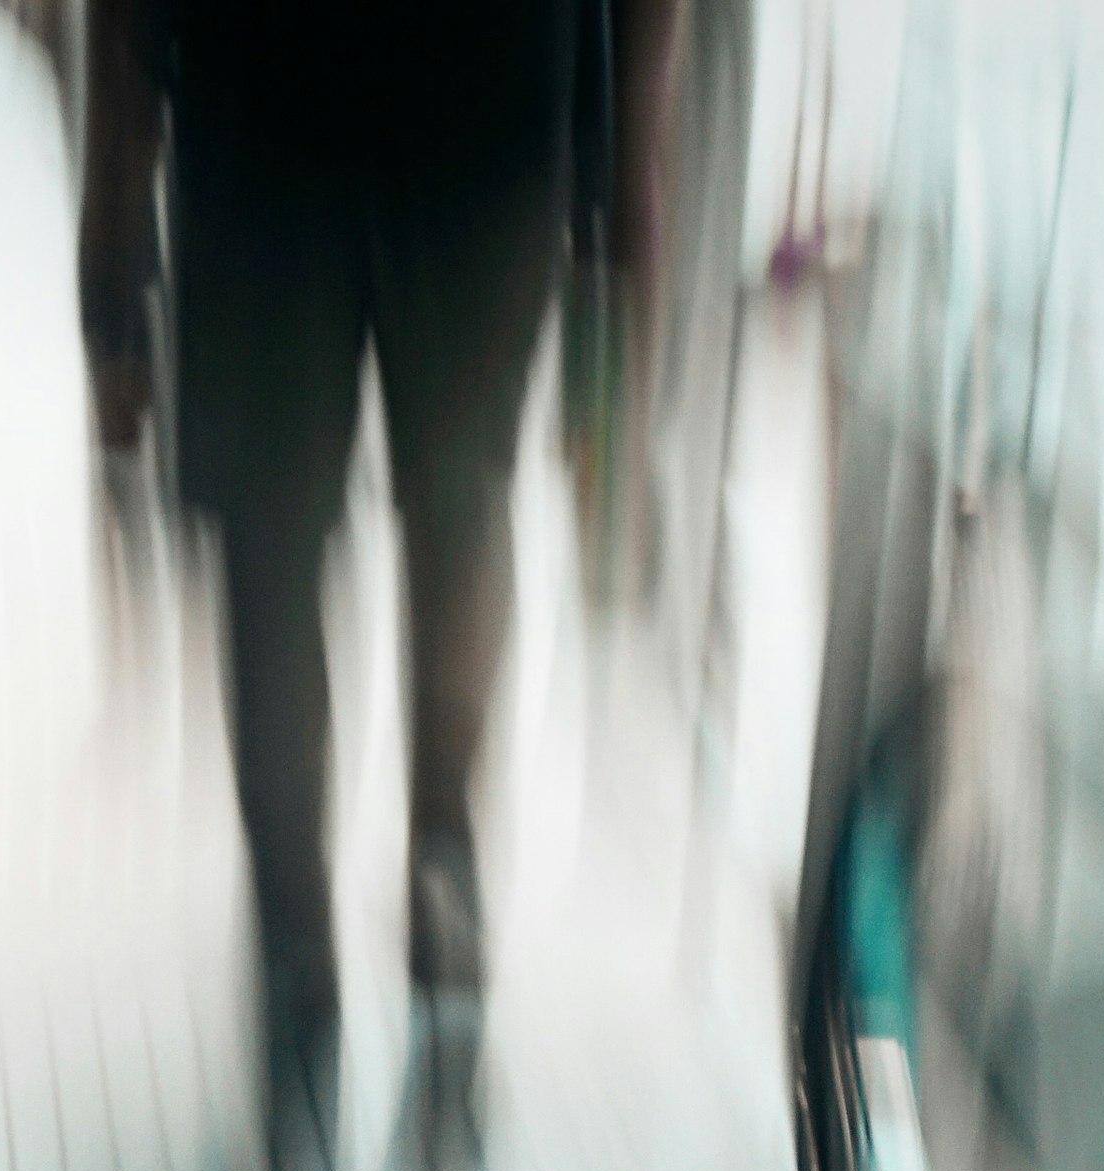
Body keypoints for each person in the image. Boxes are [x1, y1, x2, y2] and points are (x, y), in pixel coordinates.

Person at [80, 0, 680, 1114]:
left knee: (280, 535)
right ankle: (430, 877)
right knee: (452, 517)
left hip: (268, 116)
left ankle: (299, 928)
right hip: (471, 119)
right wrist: (625, 171)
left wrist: (112, 222)